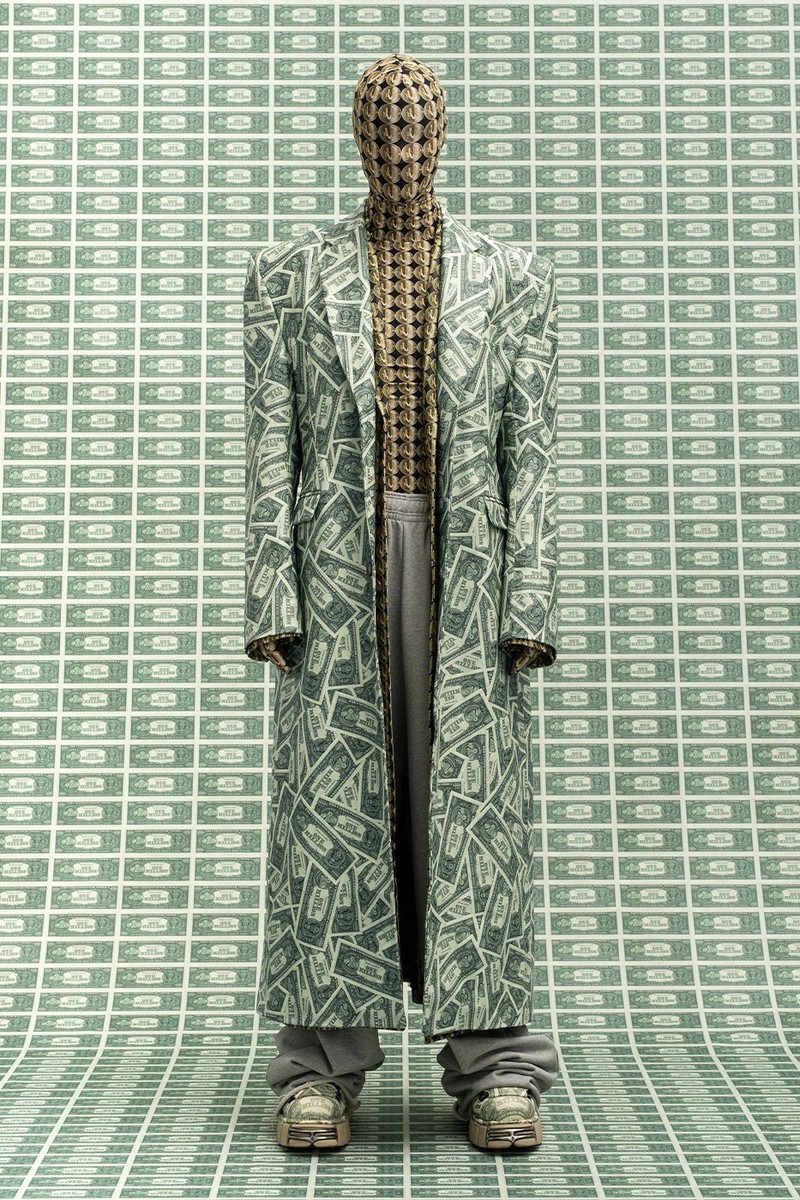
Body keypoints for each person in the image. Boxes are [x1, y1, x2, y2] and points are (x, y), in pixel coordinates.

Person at [243, 53, 560, 1152]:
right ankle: (319, 1066)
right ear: (357, 138)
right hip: (337, 567)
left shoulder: (511, 276)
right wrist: (270, 591)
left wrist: (531, 600)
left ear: (441, 136)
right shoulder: (290, 273)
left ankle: (495, 1063)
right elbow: (269, 442)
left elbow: (532, 449)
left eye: (416, 130)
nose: (399, 148)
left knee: (474, 814)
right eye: (381, 130)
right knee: (333, 814)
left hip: (471, 569)